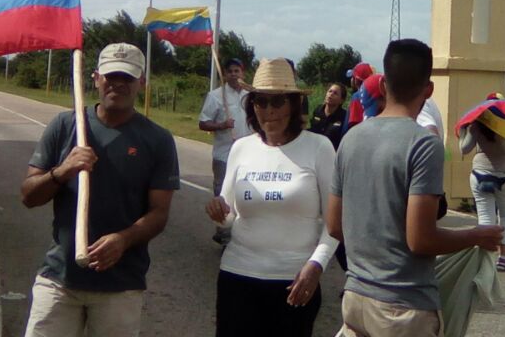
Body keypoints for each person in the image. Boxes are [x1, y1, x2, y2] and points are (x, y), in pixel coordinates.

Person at [328, 38, 503, 337]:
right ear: (429, 90)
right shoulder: (423, 144)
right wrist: (476, 236)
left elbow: (334, 225)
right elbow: (420, 239)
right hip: (402, 308)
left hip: (356, 298)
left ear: (382, 85)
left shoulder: (351, 139)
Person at [21, 42, 180, 336]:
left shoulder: (157, 140)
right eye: (110, 75)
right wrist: (62, 171)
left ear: (141, 83)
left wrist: (123, 239)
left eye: (127, 78)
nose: (117, 83)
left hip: (120, 287)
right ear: (95, 78)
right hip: (59, 279)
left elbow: (159, 213)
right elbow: (29, 196)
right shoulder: (65, 125)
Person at [205, 59, 338, 337]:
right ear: (251, 105)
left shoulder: (318, 147)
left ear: (292, 104)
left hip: (293, 282)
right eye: (260, 102)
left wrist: (316, 266)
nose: (269, 111)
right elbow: (229, 216)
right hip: (237, 276)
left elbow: (335, 223)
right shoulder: (241, 148)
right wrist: (219, 210)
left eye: (277, 102)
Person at [460, 93, 505, 273]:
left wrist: (463, 132)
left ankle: (485, 258)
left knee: (485, 216)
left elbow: (464, 148)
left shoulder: (476, 125)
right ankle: (503, 257)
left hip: (480, 174)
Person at [198, 57, 251, 244]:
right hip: (224, 155)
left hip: (248, 155)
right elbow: (203, 123)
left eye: (237, 71)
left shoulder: (250, 95)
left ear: (242, 73)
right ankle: (223, 232)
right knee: (223, 194)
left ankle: (241, 232)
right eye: (230, 71)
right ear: (226, 75)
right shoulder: (216, 96)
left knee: (245, 194)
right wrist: (222, 125)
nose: (234, 74)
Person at [309, 82, 348, 149]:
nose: (331, 94)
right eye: (330, 91)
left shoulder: (344, 116)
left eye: (335, 93)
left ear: (341, 100)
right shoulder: (318, 110)